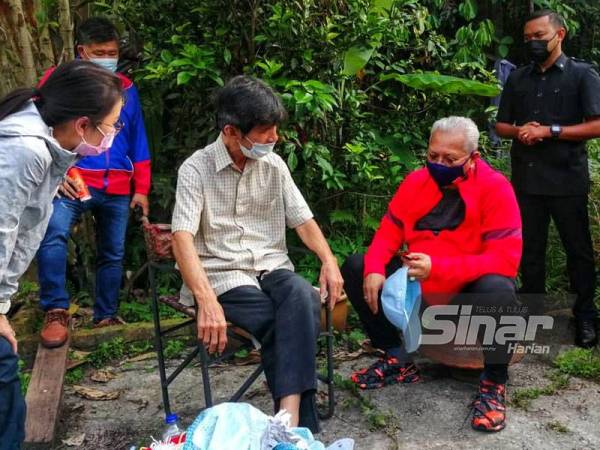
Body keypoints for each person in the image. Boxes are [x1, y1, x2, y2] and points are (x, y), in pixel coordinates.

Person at [171, 75, 344, 432]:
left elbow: (303, 220)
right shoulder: (196, 168)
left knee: (300, 294)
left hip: (270, 266)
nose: (274, 139)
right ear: (232, 132)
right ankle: (299, 427)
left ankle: (287, 419)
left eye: (275, 129)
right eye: (265, 131)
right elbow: (182, 238)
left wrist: (329, 260)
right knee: (286, 316)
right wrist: (205, 300)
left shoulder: (274, 165)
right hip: (223, 275)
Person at [341, 117, 522, 432]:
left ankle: (494, 383)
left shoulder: (495, 188)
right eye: (433, 156)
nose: (439, 164)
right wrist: (373, 269)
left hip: (466, 299)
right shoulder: (415, 182)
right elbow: (388, 233)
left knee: (498, 287)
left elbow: (505, 260)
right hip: (421, 292)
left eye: (450, 159)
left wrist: (439, 267)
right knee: (357, 266)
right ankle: (397, 358)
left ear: (474, 157)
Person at [0, 60, 123, 450]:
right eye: (111, 125)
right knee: (6, 399)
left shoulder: (45, 144)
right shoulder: (26, 151)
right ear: (83, 124)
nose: (114, 135)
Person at [37, 17, 152, 348]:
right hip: (72, 180)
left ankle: (106, 314)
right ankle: (56, 310)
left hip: (117, 183)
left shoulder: (127, 89)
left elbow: (137, 140)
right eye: (100, 51)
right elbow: (42, 128)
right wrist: (57, 172)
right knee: (53, 235)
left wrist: (141, 189)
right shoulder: (58, 82)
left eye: (112, 52)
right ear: (81, 51)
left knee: (113, 252)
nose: (107, 57)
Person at [496, 9, 600, 348]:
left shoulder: (582, 75)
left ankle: (585, 316)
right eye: (528, 38)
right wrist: (523, 131)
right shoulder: (518, 78)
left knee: (578, 250)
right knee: (530, 250)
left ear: (560, 35)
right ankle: (531, 313)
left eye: (539, 36)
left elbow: (596, 124)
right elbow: (501, 125)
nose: (533, 43)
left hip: (567, 179)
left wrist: (550, 131)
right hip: (526, 180)